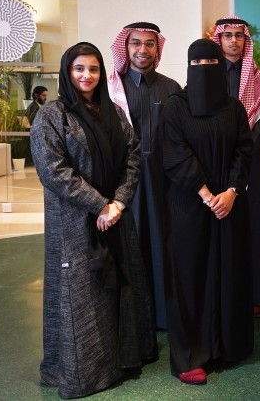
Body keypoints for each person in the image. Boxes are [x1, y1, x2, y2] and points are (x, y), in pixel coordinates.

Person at [32, 42, 156, 399]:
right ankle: (83, 373)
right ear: (67, 73)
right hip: (75, 221)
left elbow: (133, 155)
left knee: (120, 287)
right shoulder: (53, 114)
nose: (87, 76)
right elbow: (54, 171)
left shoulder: (114, 111)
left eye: (94, 69)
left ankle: (123, 360)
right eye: (79, 69)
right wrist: (99, 204)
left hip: (115, 217)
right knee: (81, 296)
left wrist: (118, 202)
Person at [161, 39, 254, 385]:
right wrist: (205, 193)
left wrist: (230, 192)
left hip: (228, 206)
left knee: (229, 271)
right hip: (190, 206)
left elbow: (243, 152)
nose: (204, 70)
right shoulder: (175, 107)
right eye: (197, 64)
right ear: (188, 67)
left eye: (210, 64)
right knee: (191, 276)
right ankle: (190, 355)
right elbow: (175, 154)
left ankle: (229, 345)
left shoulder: (233, 107)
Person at [108, 21, 181, 330]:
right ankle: (133, 315)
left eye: (149, 43)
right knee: (131, 244)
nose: (142, 49)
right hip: (126, 181)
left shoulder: (172, 87)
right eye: (136, 43)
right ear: (126, 47)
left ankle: (164, 314)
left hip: (165, 181)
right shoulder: (113, 88)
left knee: (163, 243)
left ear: (157, 48)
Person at [211, 15, 260, 318]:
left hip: (247, 164)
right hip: (213, 163)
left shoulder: (258, 78)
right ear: (218, 39)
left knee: (251, 227)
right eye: (227, 35)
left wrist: (240, 148)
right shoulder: (206, 75)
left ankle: (252, 296)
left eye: (239, 35)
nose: (233, 41)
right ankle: (219, 294)